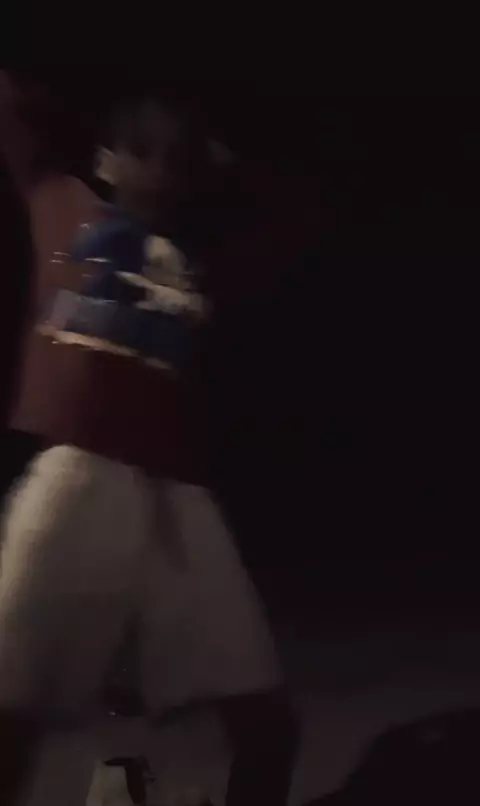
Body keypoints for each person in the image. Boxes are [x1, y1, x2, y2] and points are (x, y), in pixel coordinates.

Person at [0, 76, 298, 806]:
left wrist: (228, 165)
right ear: (104, 159)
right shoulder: (61, 203)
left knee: (269, 728)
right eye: (143, 151)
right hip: (77, 475)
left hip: (176, 498)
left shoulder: (201, 257)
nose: (161, 169)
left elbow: (302, 220)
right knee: (8, 713)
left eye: (176, 158)